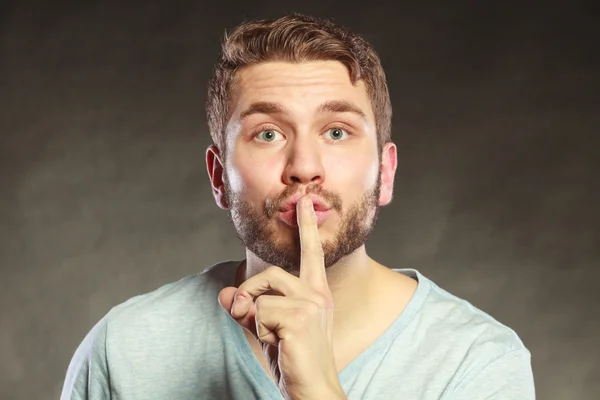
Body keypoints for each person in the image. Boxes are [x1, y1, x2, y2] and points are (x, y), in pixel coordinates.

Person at [61, 13, 535, 400]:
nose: (304, 168)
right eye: (268, 133)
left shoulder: (478, 361)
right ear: (219, 176)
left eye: (336, 132)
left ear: (385, 173)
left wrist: (317, 392)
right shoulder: (122, 350)